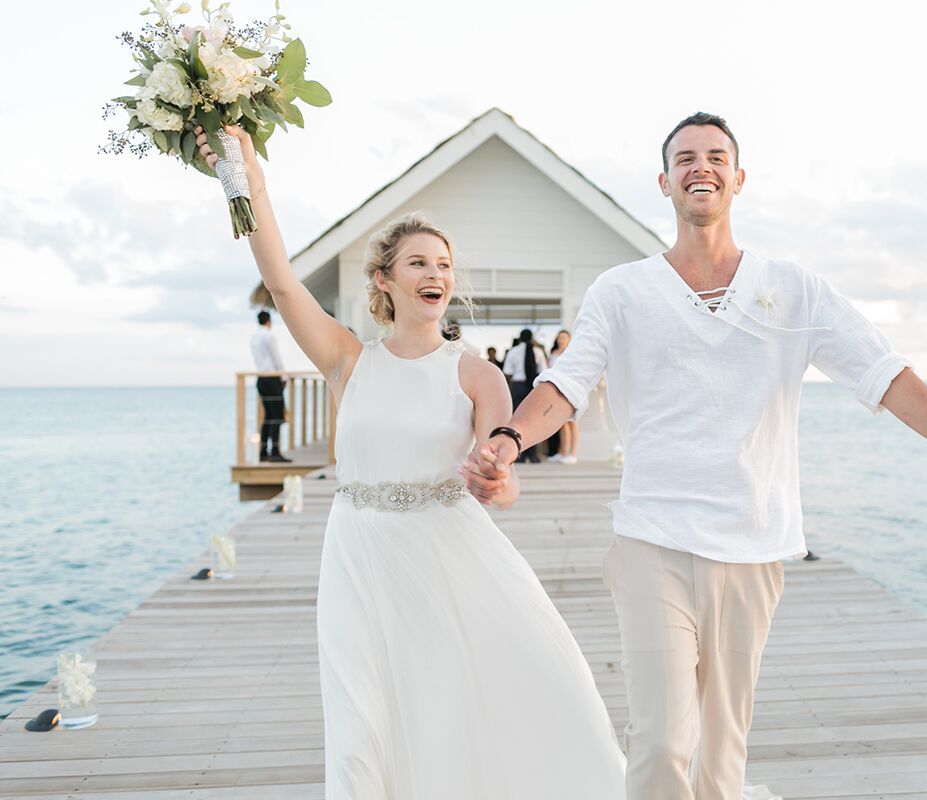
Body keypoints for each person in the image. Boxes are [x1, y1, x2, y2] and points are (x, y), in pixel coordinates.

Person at [463, 112, 927, 800]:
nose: (700, 166)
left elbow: (884, 375)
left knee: (722, 753)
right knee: (664, 741)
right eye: (685, 158)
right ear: (664, 182)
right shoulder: (623, 291)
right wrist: (510, 439)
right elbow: (567, 383)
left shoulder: (794, 288)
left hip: (752, 546)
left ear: (738, 178)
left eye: (715, 156)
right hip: (652, 541)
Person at [195, 125, 625, 798]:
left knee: (458, 706)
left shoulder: (477, 375)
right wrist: (246, 178)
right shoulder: (348, 359)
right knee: (362, 722)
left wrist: (497, 479)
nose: (436, 274)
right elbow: (279, 281)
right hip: (358, 554)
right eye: (420, 263)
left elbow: (502, 487)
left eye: (444, 265)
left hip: (447, 554)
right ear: (384, 280)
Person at [249, 310, 291, 462]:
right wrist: (284, 376)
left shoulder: (254, 338)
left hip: (261, 379)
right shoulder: (269, 335)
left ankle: (263, 451)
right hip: (272, 378)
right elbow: (276, 356)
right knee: (277, 416)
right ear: (268, 320)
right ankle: (274, 451)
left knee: (268, 416)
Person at [501, 328, 547, 462]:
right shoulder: (537, 352)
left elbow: (507, 372)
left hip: (518, 386)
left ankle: (519, 454)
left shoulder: (513, 352)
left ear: (520, 338)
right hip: (532, 386)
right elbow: (543, 371)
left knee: (516, 420)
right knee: (533, 420)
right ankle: (533, 455)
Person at [546, 330, 579, 464]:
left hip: (570, 389)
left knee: (573, 423)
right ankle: (563, 452)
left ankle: (573, 453)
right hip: (556, 389)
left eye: (564, 337)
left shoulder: (572, 353)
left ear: (569, 339)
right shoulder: (553, 354)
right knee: (562, 423)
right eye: (559, 337)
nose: (561, 340)